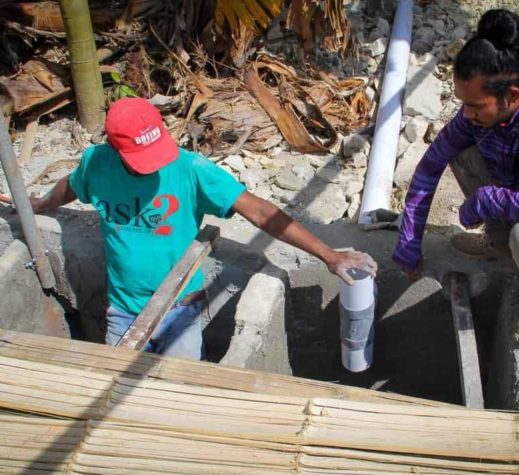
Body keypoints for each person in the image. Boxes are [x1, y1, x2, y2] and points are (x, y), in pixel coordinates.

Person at [31, 97, 377, 359]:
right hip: (122, 310)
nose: (153, 167)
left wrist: (329, 254)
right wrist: (40, 204)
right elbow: (72, 184)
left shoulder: (190, 169)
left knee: (183, 396)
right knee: (117, 398)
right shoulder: (97, 162)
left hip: (179, 307)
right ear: (115, 149)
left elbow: (259, 211)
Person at [394, 9, 519, 280]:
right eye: (463, 104)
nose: (466, 114)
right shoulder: (471, 119)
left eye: (475, 106)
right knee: (460, 150)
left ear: (511, 96)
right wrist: (409, 241)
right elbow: (429, 168)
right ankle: (502, 244)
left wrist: (488, 199)